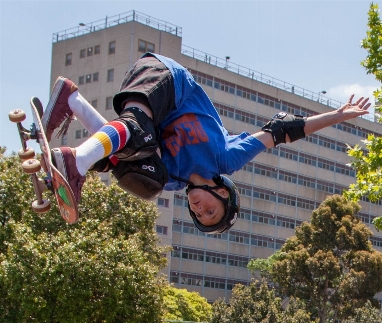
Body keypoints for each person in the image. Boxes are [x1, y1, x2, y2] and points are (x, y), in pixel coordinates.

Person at [41, 53, 370, 233]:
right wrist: (337, 116)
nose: (199, 208)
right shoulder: (225, 159)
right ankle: (75, 162)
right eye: (210, 209)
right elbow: (281, 132)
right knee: (137, 131)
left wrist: (86, 129)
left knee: (143, 177)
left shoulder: (171, 178)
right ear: (222, 192)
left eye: (198, 213)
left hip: (144, 104)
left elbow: (119, 144)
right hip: (169, 79)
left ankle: (71, 100)